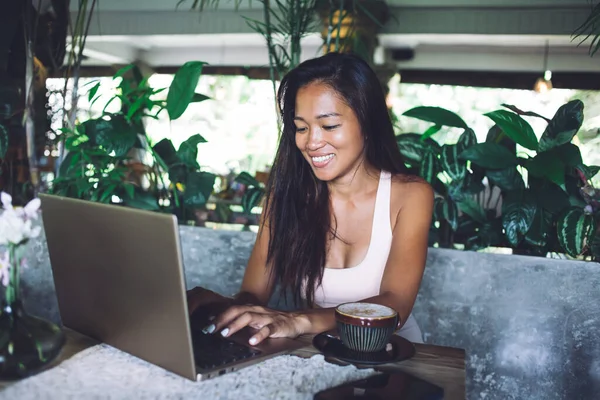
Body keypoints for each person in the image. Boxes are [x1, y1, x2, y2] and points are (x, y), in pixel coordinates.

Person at [187, 52, 434, 346]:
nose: (311, 142)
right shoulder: (283, 200)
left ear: (367, 123)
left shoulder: (410, 195)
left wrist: (298, 320)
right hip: (322, 351)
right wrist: (223, 306)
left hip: (397, 356)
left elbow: (395, 304)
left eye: (329, 126)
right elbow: (253, 294)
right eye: (301, 128)